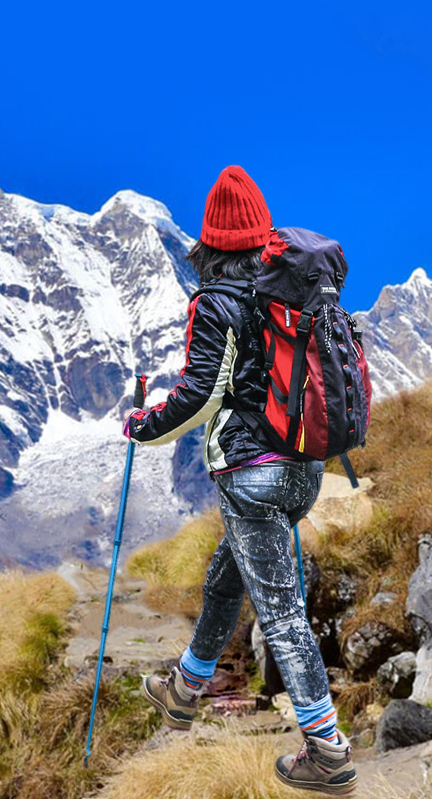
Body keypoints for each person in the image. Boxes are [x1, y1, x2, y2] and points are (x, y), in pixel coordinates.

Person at [123, 166, 357, 795]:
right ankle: (186, 688)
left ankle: (326, 748)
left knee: (280, 611)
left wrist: (144, 427)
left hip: (251, 475)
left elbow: (200, 397)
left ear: (208, 240)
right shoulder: (291, 286)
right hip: (303, 468)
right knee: (227, 579)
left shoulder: (215, 303)